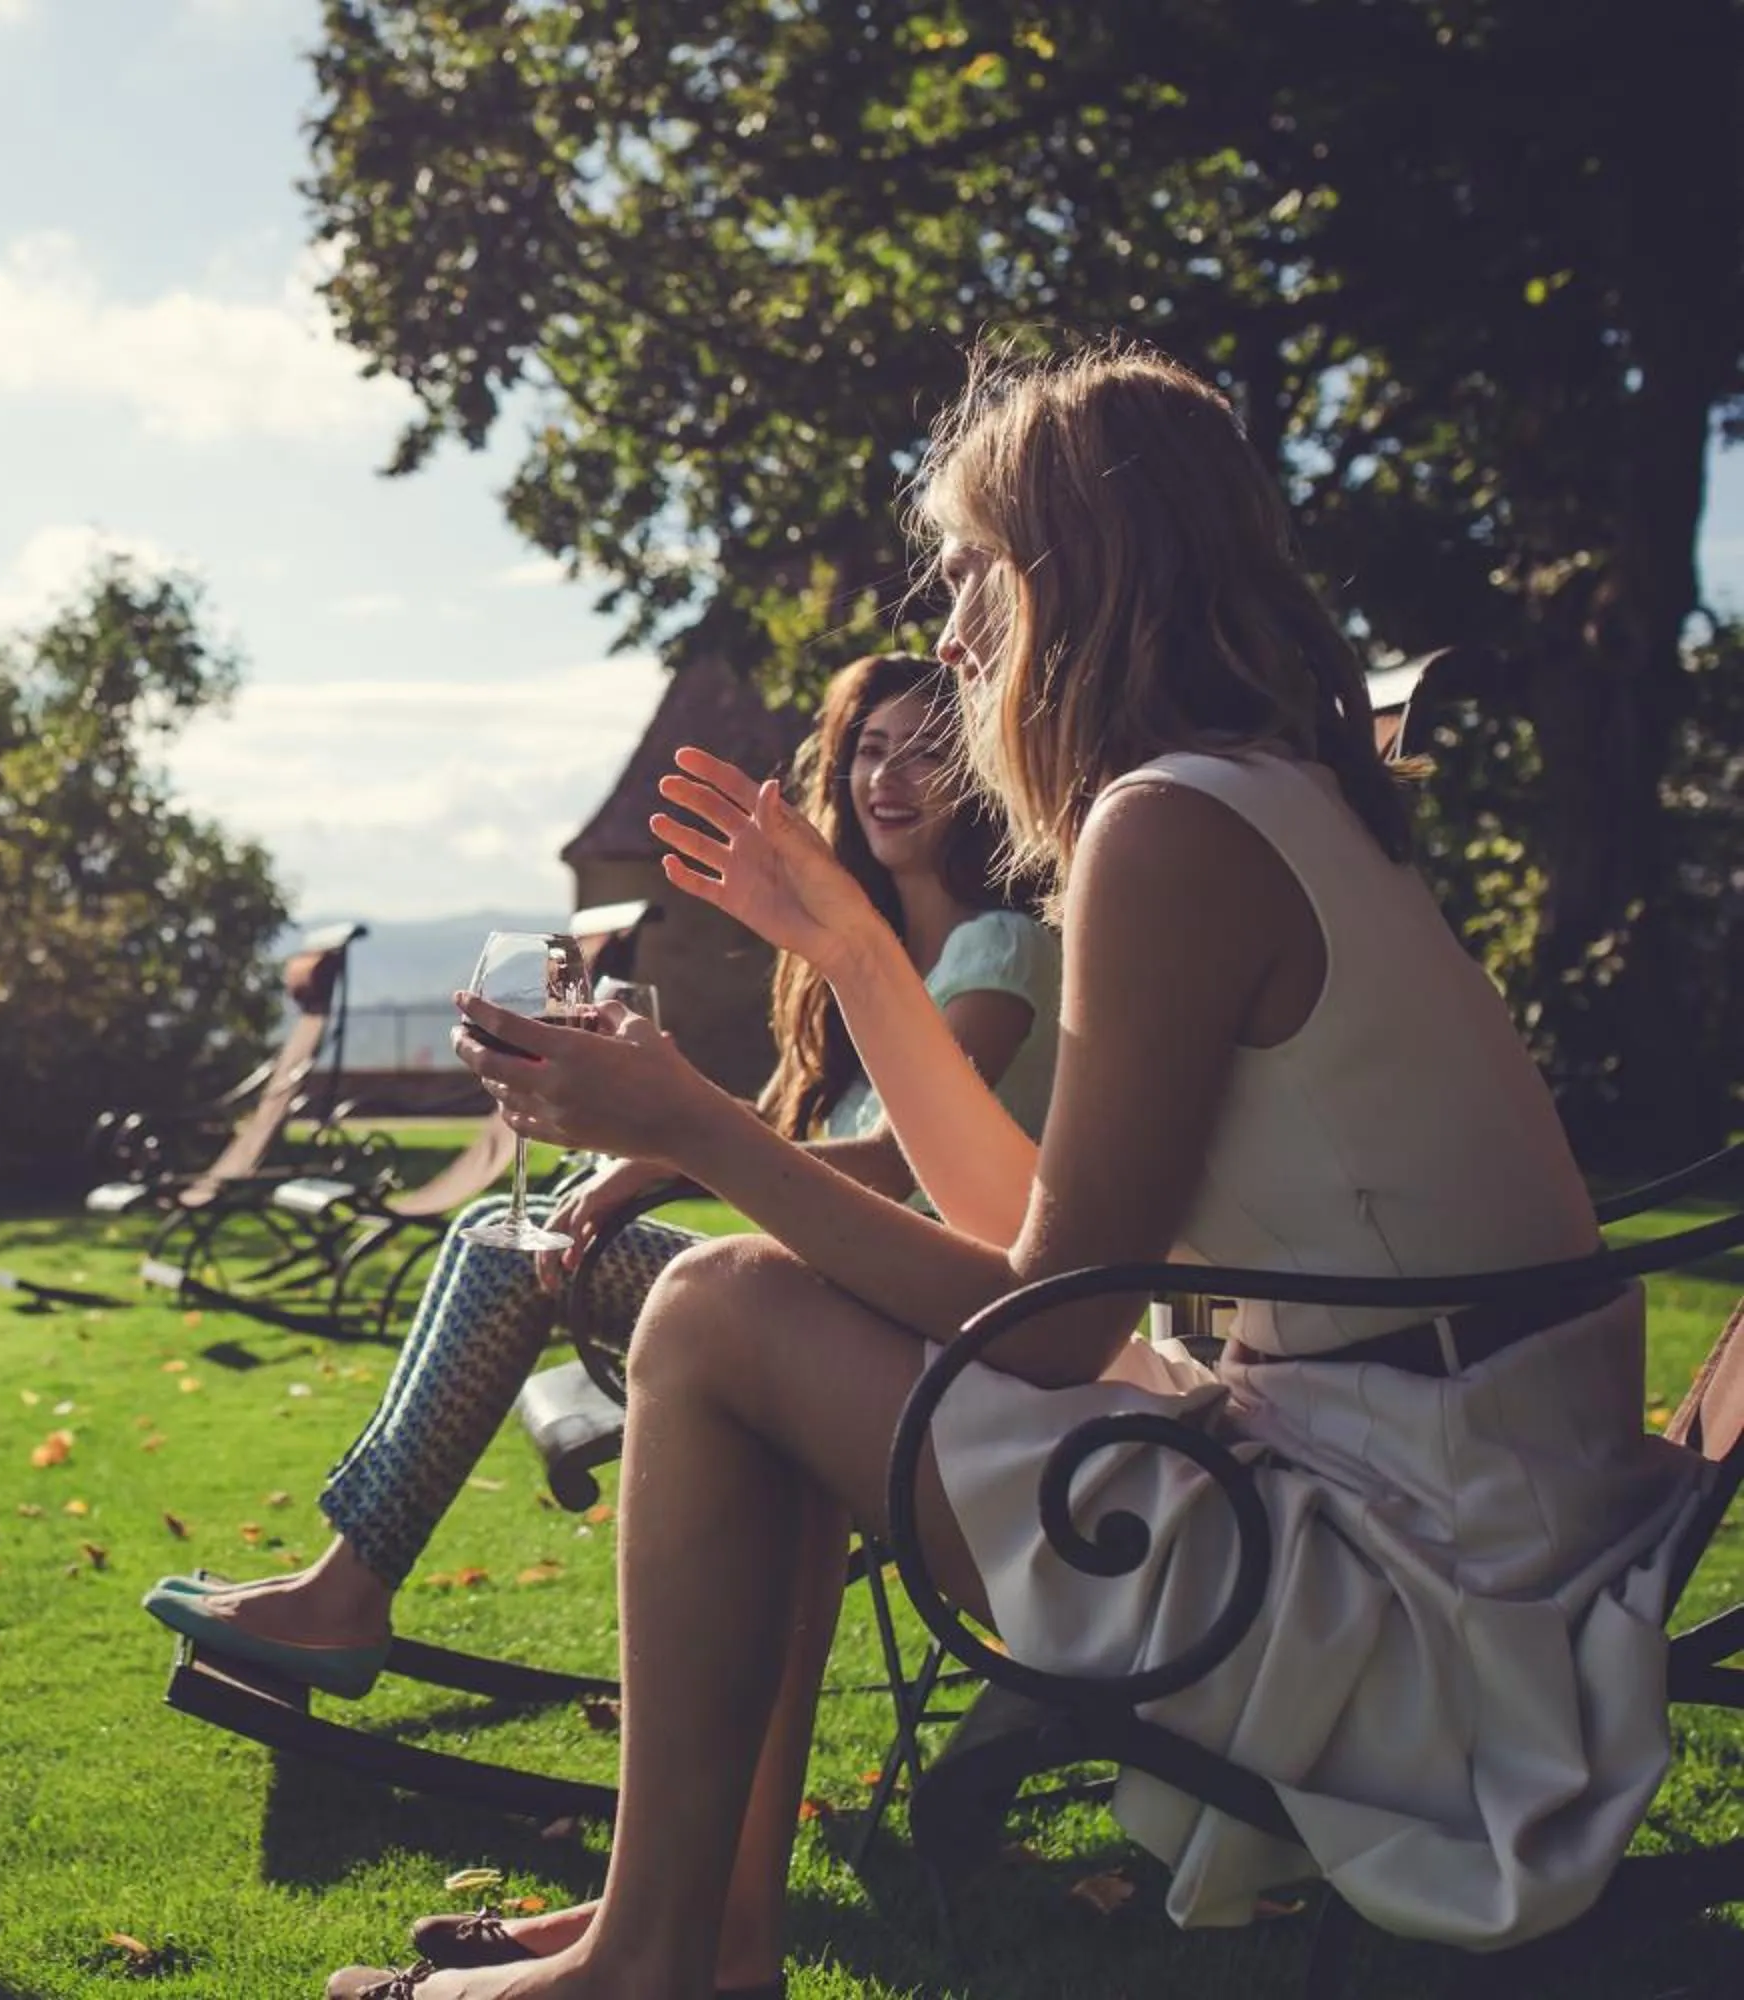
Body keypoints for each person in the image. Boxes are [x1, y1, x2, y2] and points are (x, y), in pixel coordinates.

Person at [322, 345, 1698, 2000]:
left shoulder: (1172, 828)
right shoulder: (1261, 798)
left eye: (976, 572)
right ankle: (694, 1928)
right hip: (1461, 1520)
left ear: (1079, 575)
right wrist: (853, 949)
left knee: (714, 1311)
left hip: (1413, 1604)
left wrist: (692, 1129)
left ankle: (660, 1954)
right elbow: (1035, 1238)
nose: (958, 630)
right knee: (749, 1315)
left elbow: (1048, 1328)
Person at [144, 654, 1058, 1716]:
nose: (889, 778)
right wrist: (648, 1125)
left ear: (981, 774)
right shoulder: (877, 960)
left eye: (929, 752)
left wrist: (674, 1146)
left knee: (518, 1253)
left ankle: (344, 1591)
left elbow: (900, 1162)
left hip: (924, 1326)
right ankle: (342, 1575)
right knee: (505, 1229)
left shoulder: (999, 948)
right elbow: (782, 1134)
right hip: (841, 1294)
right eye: (872, 749)